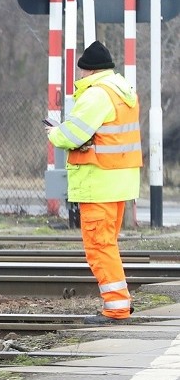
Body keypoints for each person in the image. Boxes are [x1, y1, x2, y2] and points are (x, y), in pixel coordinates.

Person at [46, 41, 142, 325]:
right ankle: (120, 303)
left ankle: (116, 308)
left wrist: (55, 133)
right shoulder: (124, 92)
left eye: (82, 73)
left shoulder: (96, 95)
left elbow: (71, 135)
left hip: (98, 182)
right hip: (119, 181)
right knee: (107, 244)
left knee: (99, 247)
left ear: (88, 71)